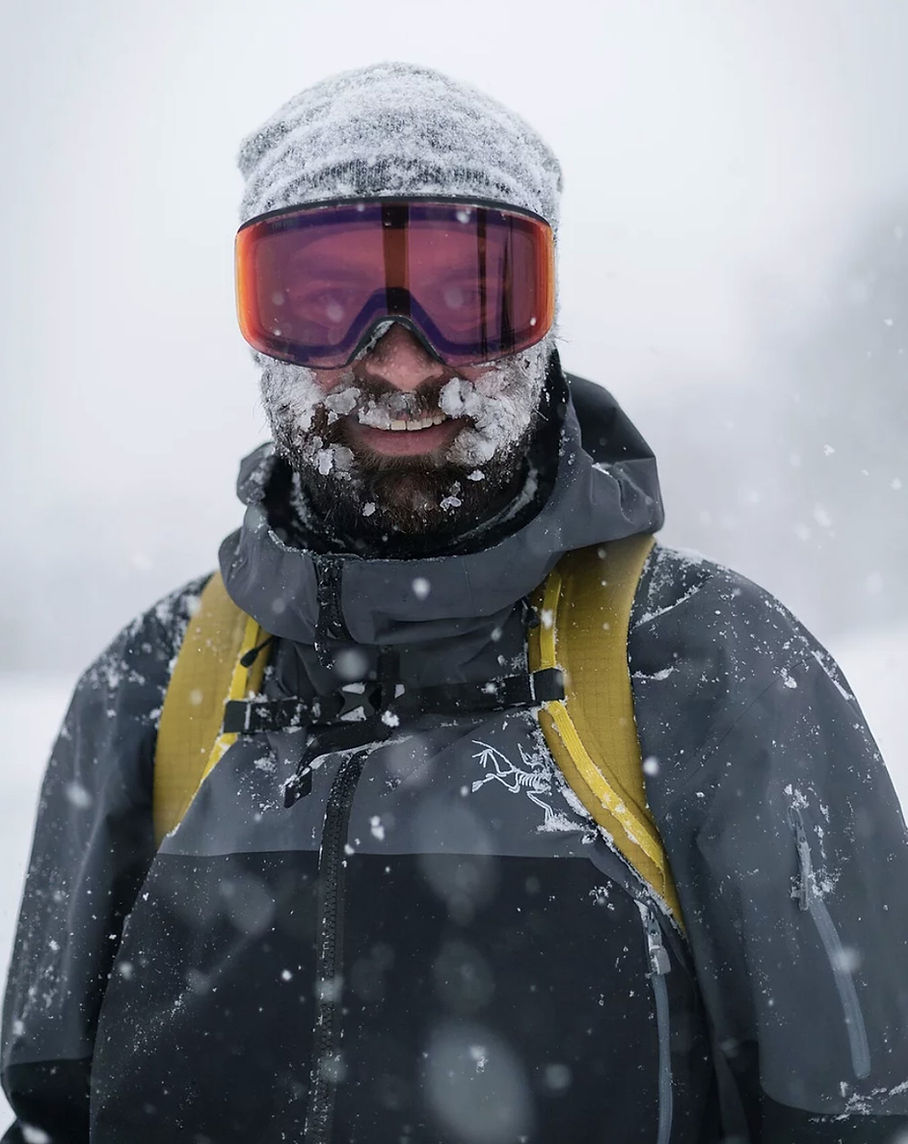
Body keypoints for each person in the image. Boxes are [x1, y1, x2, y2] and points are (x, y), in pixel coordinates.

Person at [2, 61, 907, 1144]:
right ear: (255, 322)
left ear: (543, 316)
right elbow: (52, 1114)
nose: (395, 360)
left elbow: (861, 1122)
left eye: (469, 291)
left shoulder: (712, 672)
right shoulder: (149, 690)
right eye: (322, 300)